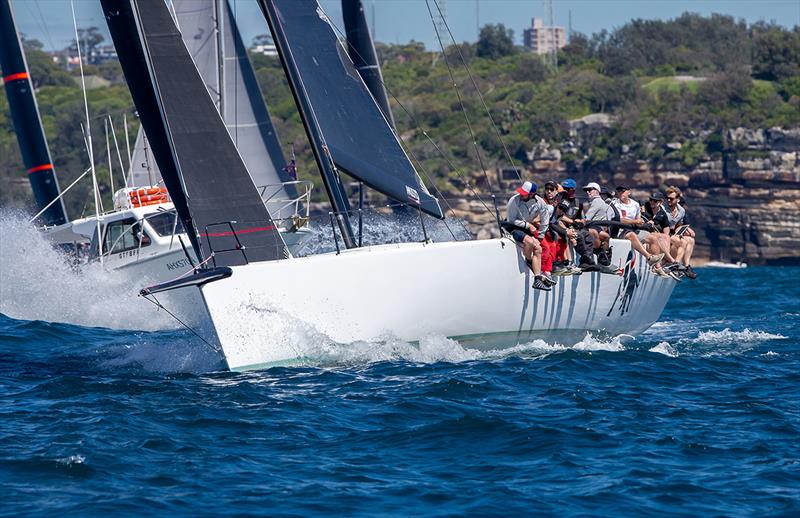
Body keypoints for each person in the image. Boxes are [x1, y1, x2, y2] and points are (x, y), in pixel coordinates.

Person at [505, 181, 551, 291]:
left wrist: (541, 235)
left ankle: (537, 279)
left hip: (528, 228)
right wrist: (528, 225)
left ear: (532, 194)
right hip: (514, 227)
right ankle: (529, 260)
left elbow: (545, 220)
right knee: (529, 242)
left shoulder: (540, 202)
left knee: (538, 248)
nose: (521, 194)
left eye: (524, 193)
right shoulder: (514, 200)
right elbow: (511, 220)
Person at [610, 185, 665, 268]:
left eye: (623, 191)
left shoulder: (635, 204)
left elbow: (638, 220)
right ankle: (649, 257)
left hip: (633, 229)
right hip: (619, 230)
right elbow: (618, 219)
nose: (620, 193)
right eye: (618, 191)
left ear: (629, 192)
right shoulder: (614, 204)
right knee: (631, 235)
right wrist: (635, 221)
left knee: (653, 238)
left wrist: (640, 222)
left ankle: (657, 267)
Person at [574, 182, 613, 268]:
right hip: (601, 229)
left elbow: (587, 218)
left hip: (595, 228)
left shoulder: (596, 201)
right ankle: (605, 259)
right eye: (587, 190)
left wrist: (576, 221)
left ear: (597, 191)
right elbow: (612, 215)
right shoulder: (603, 203)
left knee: (592, 233)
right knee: (606, 236)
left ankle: (593, 256)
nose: (588, 192)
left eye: (590, 190)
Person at [663, 186, 697, 279]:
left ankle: (686, 266)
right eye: (667, 198)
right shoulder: (662, 208)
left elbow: (678, 224)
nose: (668, 200)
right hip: (663, 233)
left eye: (671, 198)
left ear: (678, 199)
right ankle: (676, 264)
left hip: (673, 233)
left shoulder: (681, 210)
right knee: (683, 242)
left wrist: (684, 229)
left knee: (690, 240)